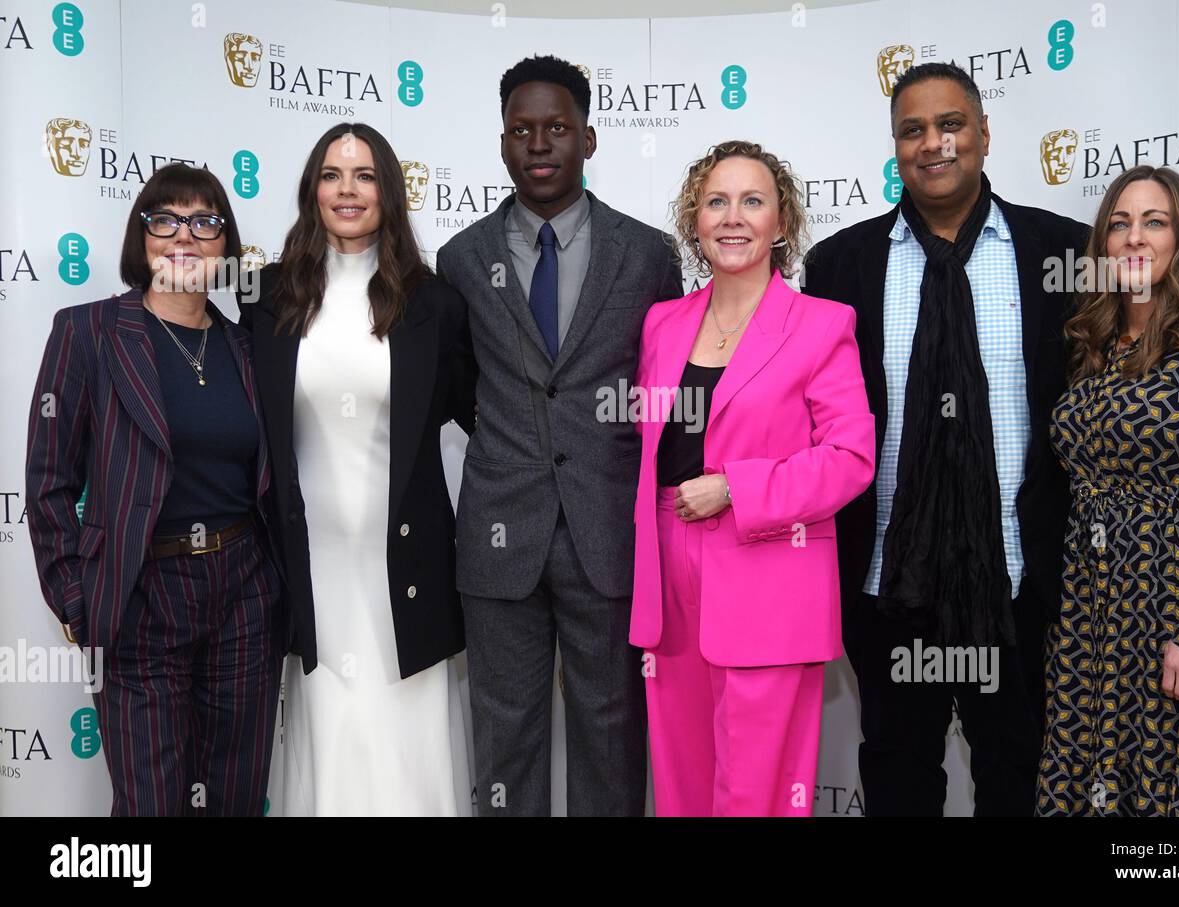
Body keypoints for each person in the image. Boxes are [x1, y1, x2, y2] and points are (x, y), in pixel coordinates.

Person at [800, 61, 1089, 816]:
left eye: (951, 124)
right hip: (889, 583)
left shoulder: (1064, 254)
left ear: (985, 135)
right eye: (912, 129)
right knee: (897, 778)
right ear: (895, 146)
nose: (934, 143)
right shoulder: (838, 266)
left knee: (1018, 775)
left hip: (1021, 578)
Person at [436, 55, 682, 816]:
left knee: (611, 735)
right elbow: (459, 387)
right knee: (505, 740)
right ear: (503, 144)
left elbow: (662, 391)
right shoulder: (461, 259)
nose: (539, 144)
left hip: (608, 534)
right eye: (521, 131)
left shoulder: (647, 255)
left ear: (590, 138)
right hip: (499, 536)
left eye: (557, 129)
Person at [26, 163, 282, 815]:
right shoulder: (88, 333)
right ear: (141, 237)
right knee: (152, 802)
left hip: (243, 592)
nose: (184, 237)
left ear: (226, 244)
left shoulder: (247, 348)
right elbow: (50, 480)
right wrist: (77, 599)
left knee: (234, 793)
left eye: (204, 222)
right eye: (165, 220)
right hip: (139, 593)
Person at [238, 122, 476, 816]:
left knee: (408, 745)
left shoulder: (435, 304)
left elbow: (488, 421)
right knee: (331, 740)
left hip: (407, 571)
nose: (348, 190)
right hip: (311, 576)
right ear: (313, 189)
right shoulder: (267, 297)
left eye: (365, 175)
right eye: (333, 174)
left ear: (389, 192)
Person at [631, 141, 874, 816]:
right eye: (716, 201)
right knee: (680, 785)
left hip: (770, 573)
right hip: (668, 578)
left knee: (757, 791)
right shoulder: (662, 323)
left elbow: (851, 457)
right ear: (694, 221)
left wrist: (739, 486)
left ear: (781, 222)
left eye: (752, 201)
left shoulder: (822, 325)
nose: (732, 217)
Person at [1038, 165, 1179, 816]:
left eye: (1154, 221)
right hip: (1093, 609)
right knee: (1089, 779)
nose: (1134, 237)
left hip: (1177, 605)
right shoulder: (1095, 342)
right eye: (1120, 223)